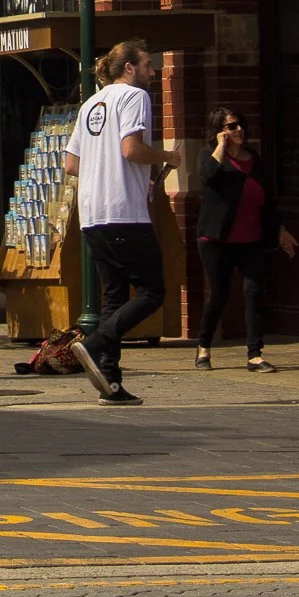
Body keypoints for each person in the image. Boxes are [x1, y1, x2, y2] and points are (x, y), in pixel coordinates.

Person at [64, 39, 182, 406]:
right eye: (147, 64)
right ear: (128, 68)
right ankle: (94, 344)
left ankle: (110, 381)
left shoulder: (90, 103)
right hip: (124, 212)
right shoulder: (135, 97)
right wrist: (166, 156)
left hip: (91, 215)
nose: (152, 71)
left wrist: (106, 172)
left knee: (114, 294)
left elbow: (71, 164)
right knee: (152, 291)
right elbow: (130, 149)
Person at [195, 105, 297, 372]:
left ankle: (254, 355)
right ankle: (203, 347)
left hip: (251, 238)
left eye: (239, 124)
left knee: (254, 293)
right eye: (231, 126)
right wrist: (220, 146)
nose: (238, 130)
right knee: (219, 295)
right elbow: (208, 176)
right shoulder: (208, 155)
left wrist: (280, 230)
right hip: (217, 239)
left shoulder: (254, 157)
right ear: (219, 131)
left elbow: (268, 199)